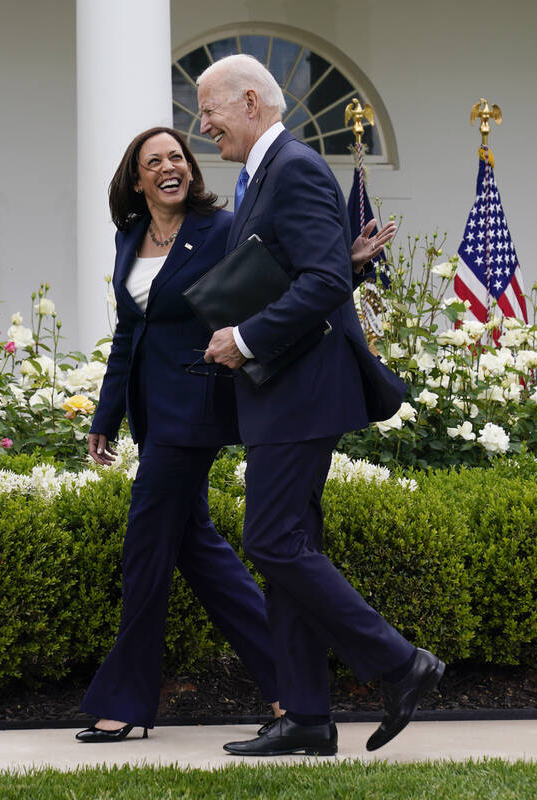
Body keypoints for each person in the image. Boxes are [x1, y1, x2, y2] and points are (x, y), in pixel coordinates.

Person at [197, 54, 445, 756]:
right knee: (287, 548)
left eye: (209, 109)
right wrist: (348, 259)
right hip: (284, 392)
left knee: (272, 542)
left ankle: (402, 664)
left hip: (300, 391)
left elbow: (321, 280)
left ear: (250, 102)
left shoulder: (295, 166)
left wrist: (244, 338)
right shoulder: (265, 174)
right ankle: (306, 715)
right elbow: (311, 266)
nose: (203, 124)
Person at [75, 126, 282, 743]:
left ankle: (126, 699)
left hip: (196, 408)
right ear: (136, 180)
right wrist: (106, 416)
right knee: (200, 552)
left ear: (189, 169)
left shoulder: (221, 230)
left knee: (145, 550)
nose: (169, 167)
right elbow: (127, 334)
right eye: (153, 161)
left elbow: (274, 285)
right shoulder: (129, 237)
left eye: (176, 157)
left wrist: (342, 263)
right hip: (151, 411)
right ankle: (291, 687)